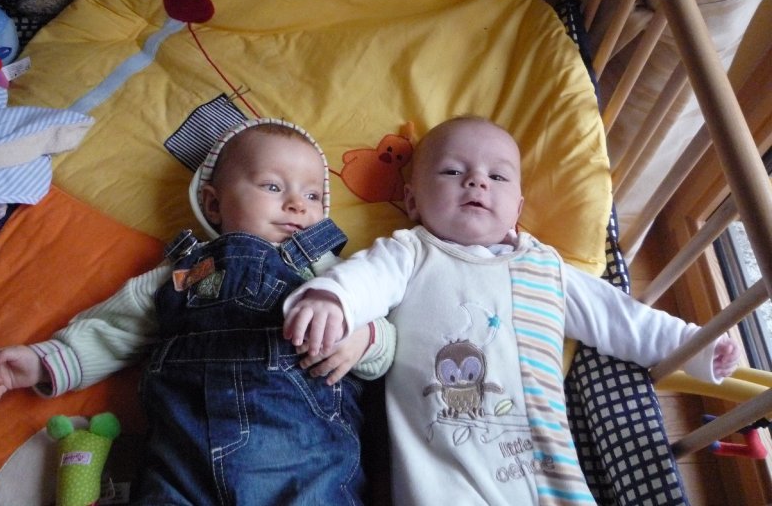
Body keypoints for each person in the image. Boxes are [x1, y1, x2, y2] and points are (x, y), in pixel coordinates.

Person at [283, 115, 740, 506]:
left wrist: (694, 345)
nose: (476, 182)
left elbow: (619, 318)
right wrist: (334, 299)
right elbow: (366, 278)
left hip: (547, 470)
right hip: (442, 474)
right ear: (413, 201)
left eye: (497, 177)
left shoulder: (545, 267)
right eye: (452, 171)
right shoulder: (411, 252)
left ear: (517, 208)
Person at [0, 118, 394, 506]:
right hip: (183, 458)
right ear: (214, 204)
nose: (296, 205)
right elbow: (115, 328)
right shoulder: (187, 274)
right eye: (272, 186)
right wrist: (44, 362)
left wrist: (363, 338)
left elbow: (384, 335)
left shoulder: (329, 275)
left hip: (300, 460)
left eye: (313, 196)